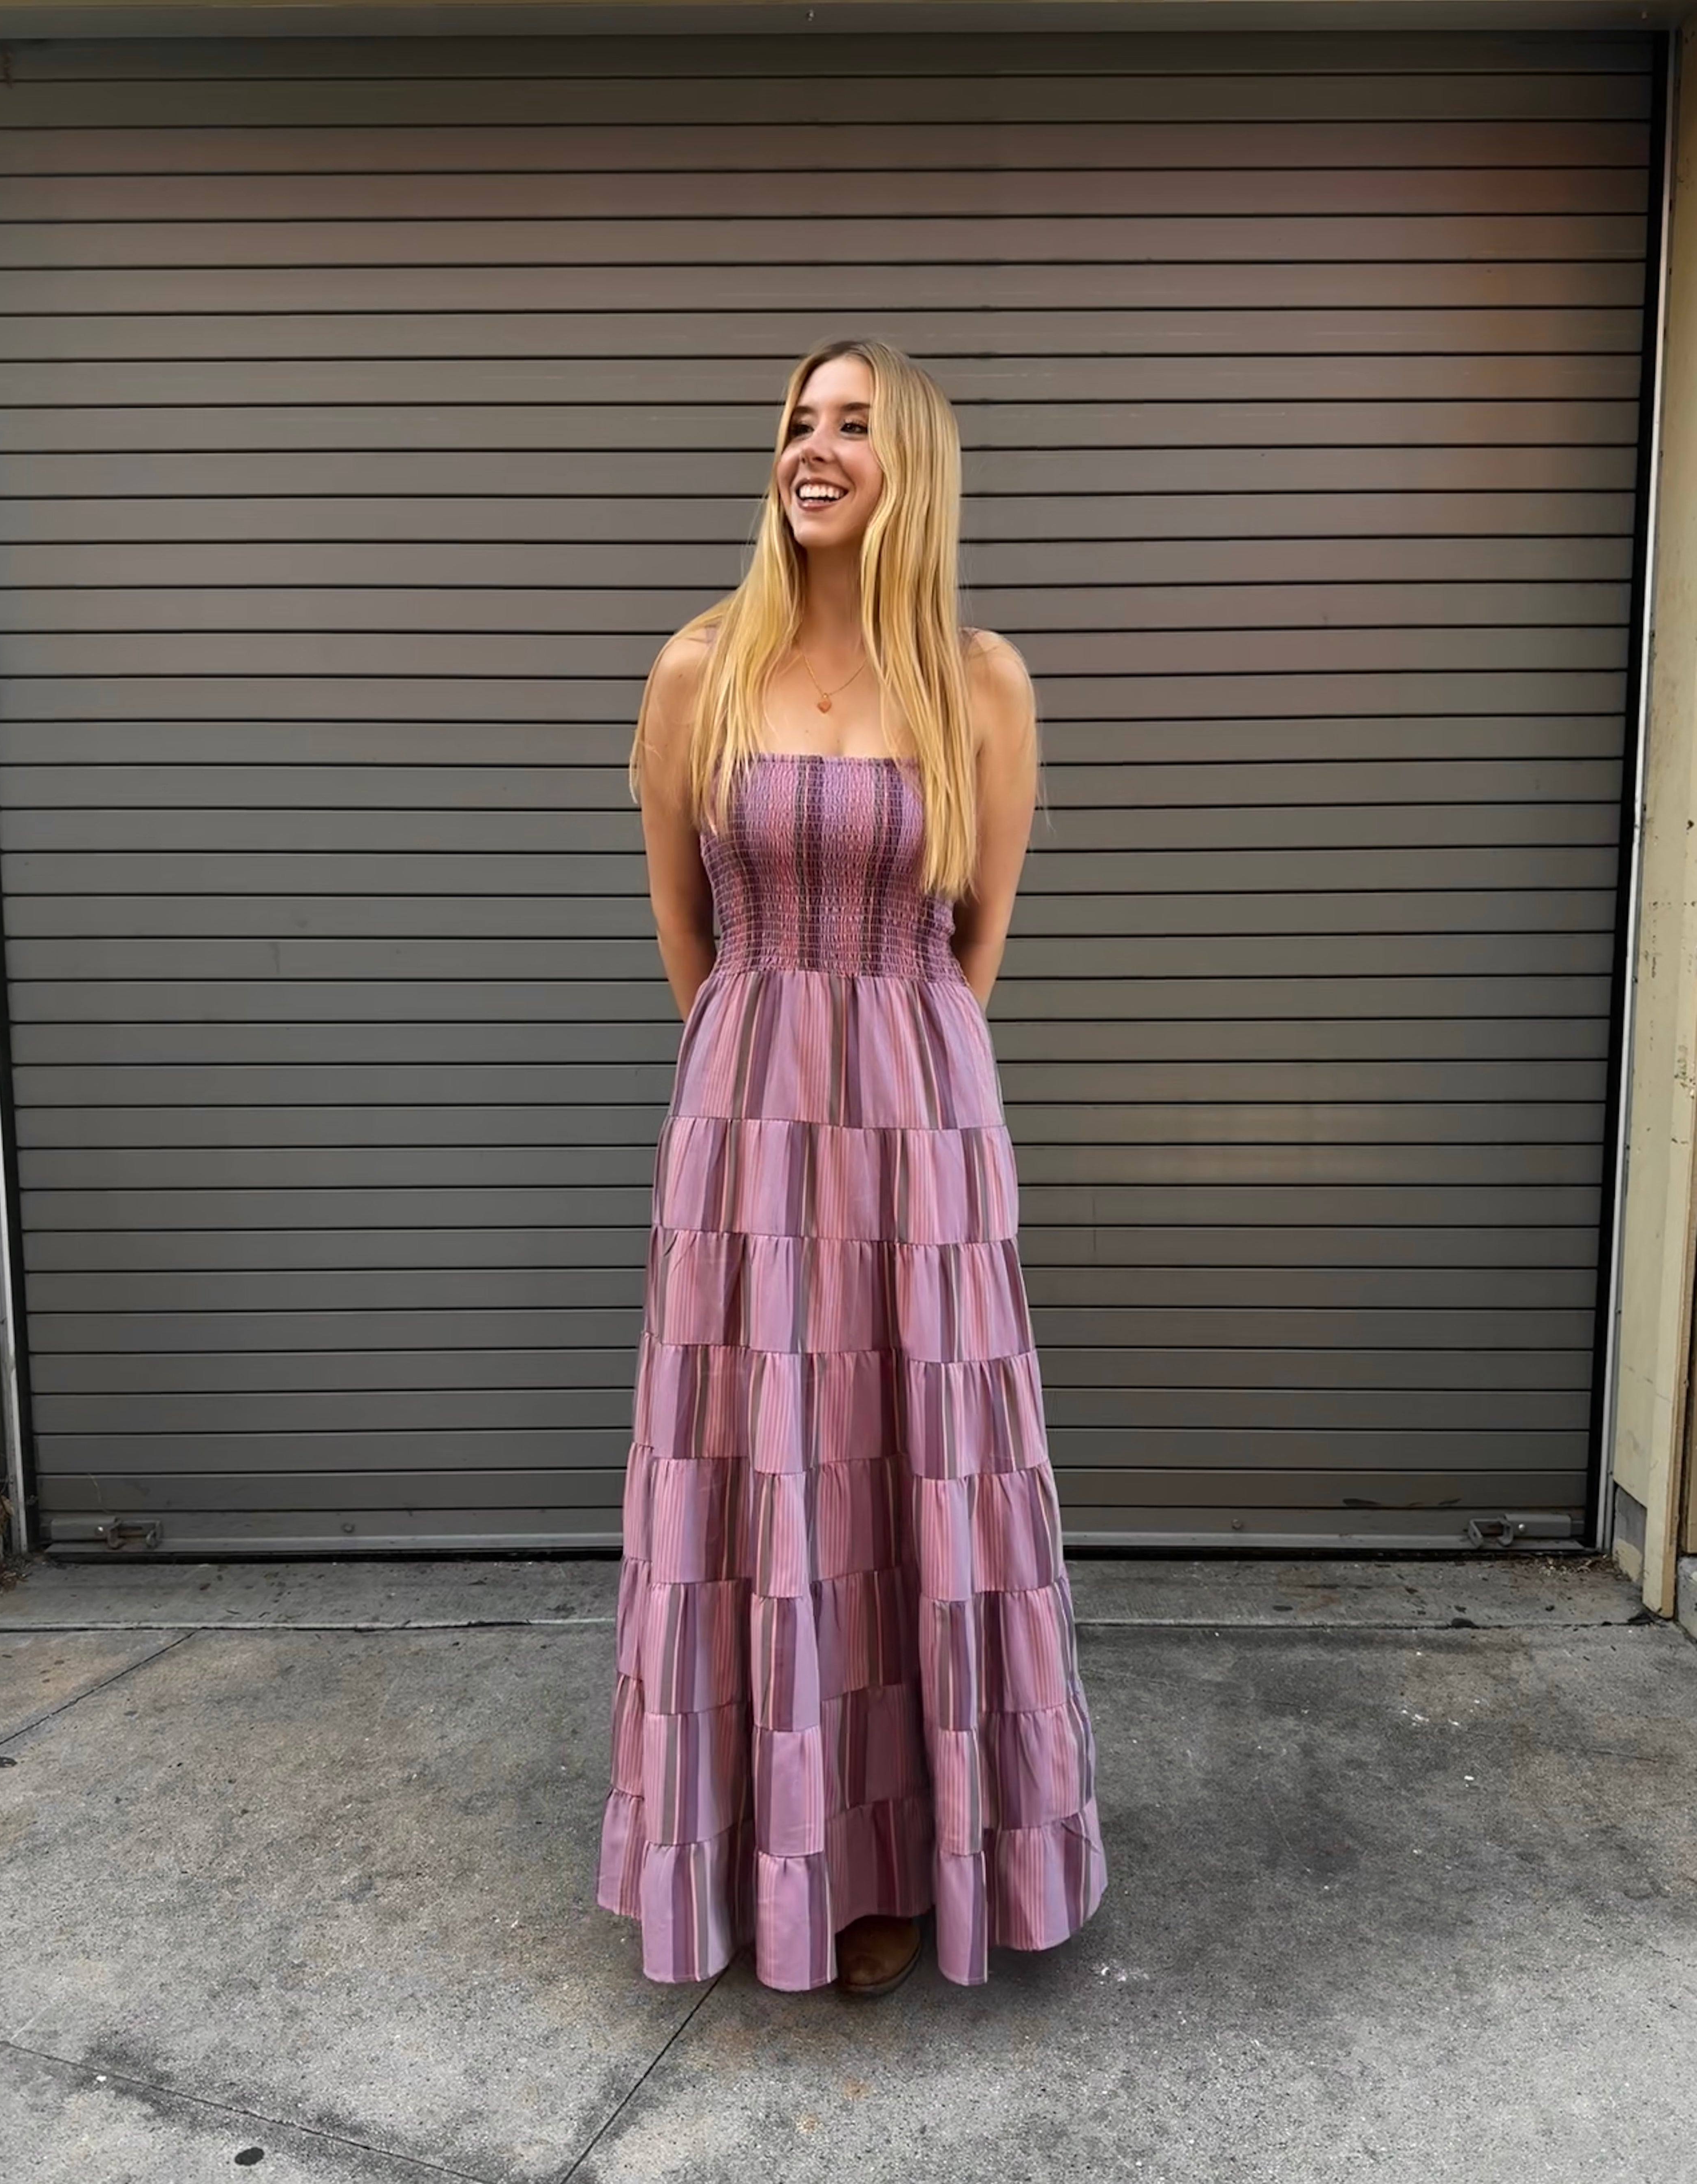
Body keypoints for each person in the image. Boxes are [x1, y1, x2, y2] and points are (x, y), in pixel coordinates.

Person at [595, 337, 1107, 1999]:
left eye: (853, 426)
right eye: (798, 423)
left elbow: (981, 941)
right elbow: (688, 930)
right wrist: (767, 1079)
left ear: (918, 466)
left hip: (920, 1120)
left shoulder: (983, 683)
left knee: (905, 1470)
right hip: (743, 1123)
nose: (814, 449)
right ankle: (756, 1841)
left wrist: (887, 1089)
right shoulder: (698, 673)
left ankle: (901, 1857)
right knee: (760, 1466)